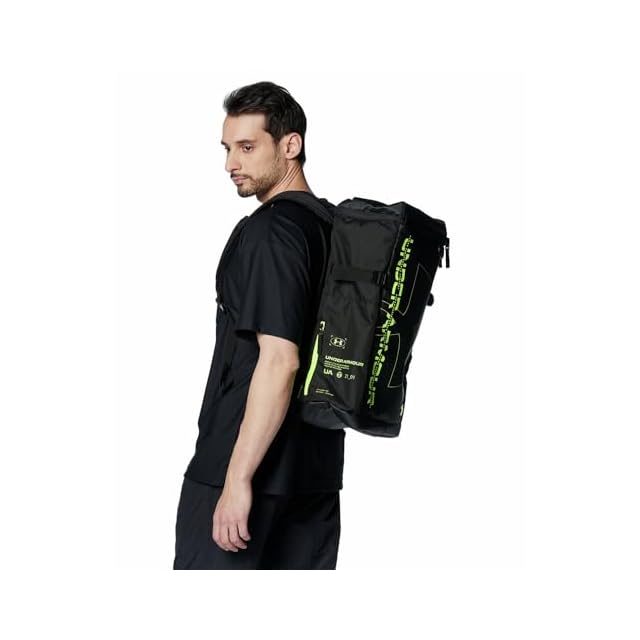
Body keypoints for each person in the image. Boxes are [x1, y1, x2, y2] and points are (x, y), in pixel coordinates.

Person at [173, 81, 345, 569]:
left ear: (291, 145)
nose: (231, 163)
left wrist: (237, 479)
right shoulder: (331, 228)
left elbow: (280, 359)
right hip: (314, 475)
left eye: (247, 147)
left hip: (246, 471)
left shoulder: (272, 230)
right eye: (227, 148)